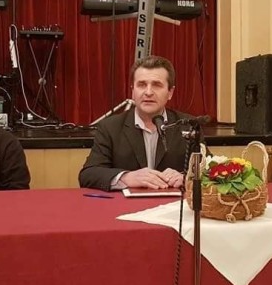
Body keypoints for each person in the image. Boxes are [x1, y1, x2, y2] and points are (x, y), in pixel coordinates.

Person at [79, 55, 199, 191]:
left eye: (157, 85)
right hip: (125, 204)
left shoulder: (189, 126)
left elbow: (210, 170)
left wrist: (187, 177)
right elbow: (88, 175)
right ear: (133, 91)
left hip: (173, 203)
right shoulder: (110, 127)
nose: (148, 92)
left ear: (170, 92)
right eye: (142, 85)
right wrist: (126, 177)